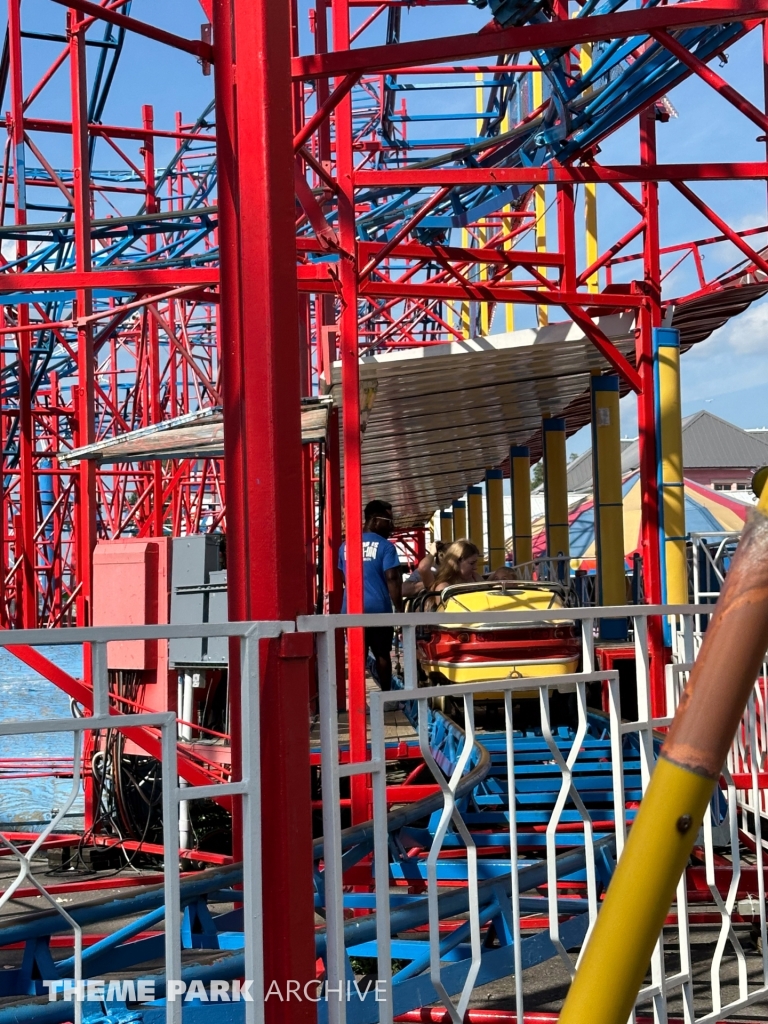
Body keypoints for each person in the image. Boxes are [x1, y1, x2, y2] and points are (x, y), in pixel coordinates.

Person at [338, 499, 403, 690]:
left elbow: (345, 578)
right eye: (388, 521)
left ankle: (359, 699)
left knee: (357, 657)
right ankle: (386, 696)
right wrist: (399, 609)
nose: (392, 526)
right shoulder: (386, 547)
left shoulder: (345, 546)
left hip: (351, 611)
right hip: (379, 610)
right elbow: (392, 577)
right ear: (374, 520)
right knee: (382, 654)